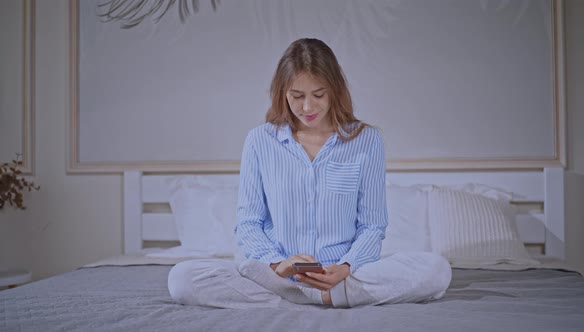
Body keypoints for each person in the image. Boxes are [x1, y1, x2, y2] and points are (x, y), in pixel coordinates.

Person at [168, 38, 451, 308]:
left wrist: (345, 267)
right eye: (297, 96)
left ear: (334, 90)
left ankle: (309, 299)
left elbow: (372, 226)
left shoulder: (367, 140)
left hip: (342, 276)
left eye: (318, 95)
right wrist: (278, 264)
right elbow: (248, 224)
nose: (307, 107)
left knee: (436, 270)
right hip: (276, 277)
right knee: (182, 278)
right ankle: (322, 299)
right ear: (282, 93)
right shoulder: (259, 140)